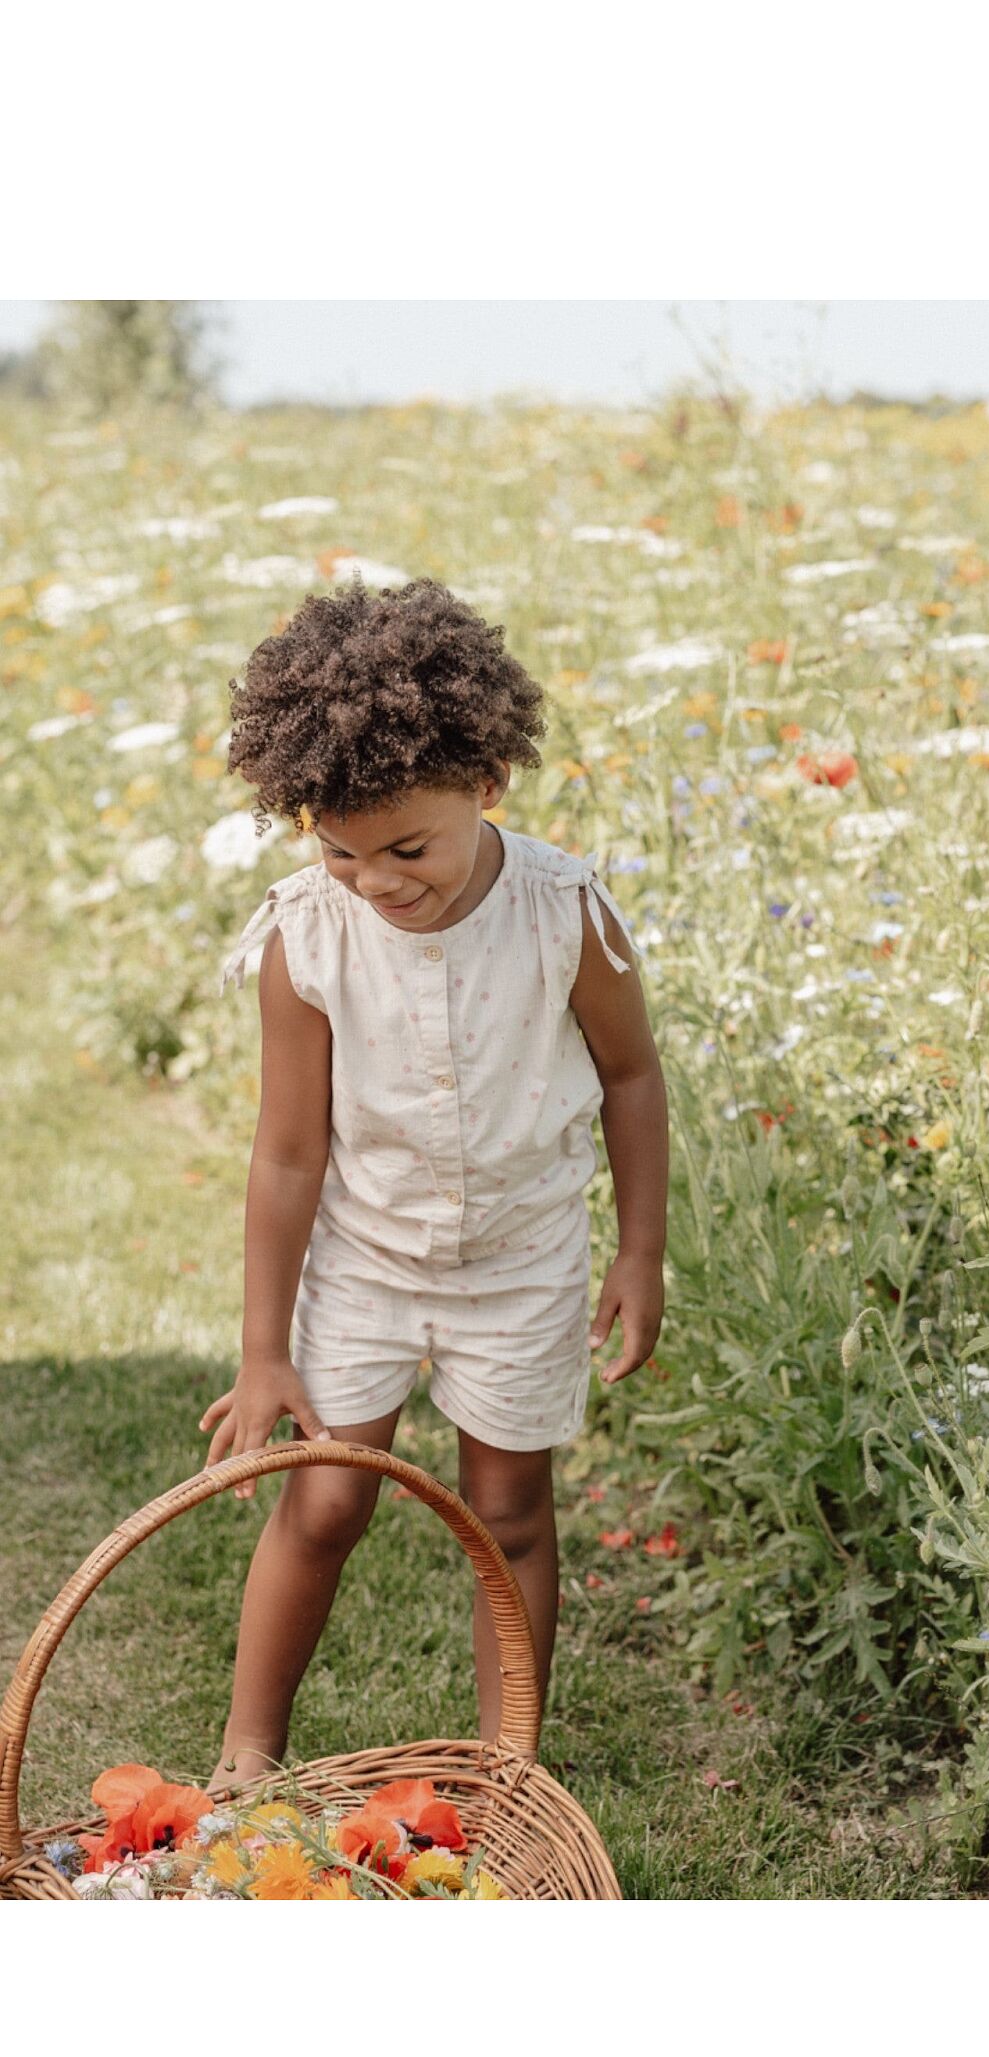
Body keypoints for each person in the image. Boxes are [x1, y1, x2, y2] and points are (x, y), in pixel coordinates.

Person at [198, 575, 667, 1791]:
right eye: (341, 850)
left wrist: (639, 1251)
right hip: (363, 1260)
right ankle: (248, 1748)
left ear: (488, 783)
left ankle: (509, 1767)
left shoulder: (565, 915)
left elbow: (630, 1076)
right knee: (324, 1502)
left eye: (408, 849)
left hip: (521, 1262)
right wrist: (264, 1350)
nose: (377, 881)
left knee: (508, 1512)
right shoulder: (308, 935)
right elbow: (288, 1152)